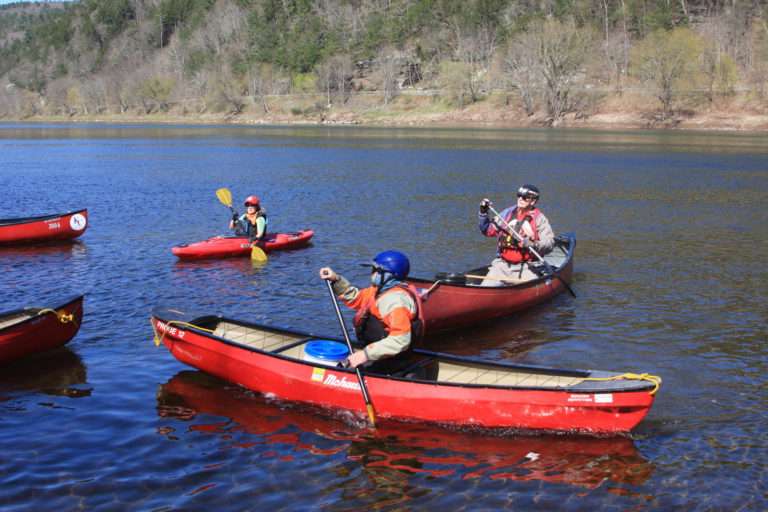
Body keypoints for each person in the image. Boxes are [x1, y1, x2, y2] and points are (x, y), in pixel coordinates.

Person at [319, 250, 423, 370]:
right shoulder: (380, 291)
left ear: (389, 275)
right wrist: (336, 279)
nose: (371, 274)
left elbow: (400, 340)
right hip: (379, 354)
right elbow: (356, 298)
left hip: (391, 360)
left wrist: (365, 354)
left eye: (375, 271)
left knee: (344, 367)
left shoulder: (395, 301)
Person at [478, 184, 555, 286]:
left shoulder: (540, 219)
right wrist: (483, 213)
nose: (520, 199)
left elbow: (549, 243)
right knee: (485, 288)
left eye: (525, 197)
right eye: (519, 195)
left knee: (532, 291)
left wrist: (534, 244)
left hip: (527, 268)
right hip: (502, 266)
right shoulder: (507, 213)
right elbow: (487, 230)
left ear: (533, 201)